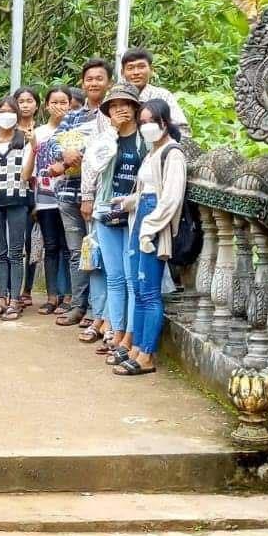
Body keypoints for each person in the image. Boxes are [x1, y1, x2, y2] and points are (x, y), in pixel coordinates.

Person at [117, 98, 187, 377]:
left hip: (154, 227)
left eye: (151, 121)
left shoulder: (173, 153)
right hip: (141, 220)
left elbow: (170, 199)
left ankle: (147, 353)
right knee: (138, 290)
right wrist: (127, 202)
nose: (146, 126)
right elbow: (147, 191)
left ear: (164, 122)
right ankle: (136, 349)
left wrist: (150, 228)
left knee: (149, 292)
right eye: (142, 122)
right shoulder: (151, 152)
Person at [43, 59, 112, 328]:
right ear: (83, 83)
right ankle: (78, 306)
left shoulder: (112, 114)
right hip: (68, 194)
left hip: (100, 195)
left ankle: (98, 310)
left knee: (100, 251)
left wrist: (77, 156)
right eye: (89, 79)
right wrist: (64, 153)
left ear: (108, 82)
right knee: (77, 253)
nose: (93, 83)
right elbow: (51, 146)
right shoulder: (72, 116)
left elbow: (107, 150)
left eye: (99, 78)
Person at [83, 83, 145, 360]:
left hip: (133, 214)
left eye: (125, 104)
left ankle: (130, 336)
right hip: (106, 211)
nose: (120, 109)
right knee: (115, 277)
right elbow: (95, 165)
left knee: (132, 279)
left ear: (135, 107)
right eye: (114, 106)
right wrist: (112, 132)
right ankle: (116, 332)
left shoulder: (145, 139)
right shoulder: (104, 139)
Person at [0, 95, 33, 320]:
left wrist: (34, 147)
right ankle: (1, 298)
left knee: (16, 252)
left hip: (18, 201)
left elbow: (27, 175)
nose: (6, 115)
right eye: (2, 111)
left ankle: (15, 300)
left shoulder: (25, 141)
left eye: (11, 111)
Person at [34, 85, 72, 314]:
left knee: (68, 247)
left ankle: (68, 296)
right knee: (50, 247)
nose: (59, 107)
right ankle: (51, 296)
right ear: (47, 106)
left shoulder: (74, 131)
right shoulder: (38, 133)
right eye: (54, 102)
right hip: (45, 198)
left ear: (70, 104)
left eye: (63, 102)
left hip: (68, 196)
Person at [120, 48, 190, 137]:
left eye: (141, 67)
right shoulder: (116, 99)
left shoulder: (163, 96)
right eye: (130, 68)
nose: (136, 72)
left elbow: (183, 130)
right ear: (122, 73)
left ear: (151, 70)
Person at [13, 86, 39, 307]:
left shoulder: (42, 130)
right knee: (14, 242)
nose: (25, 105)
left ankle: (27, 289)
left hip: (36, 192)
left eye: (29, 101)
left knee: (32, 242)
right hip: (12, 191)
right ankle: (10, 289)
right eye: (21, 101)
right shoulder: (7, 130)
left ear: (37, 105)